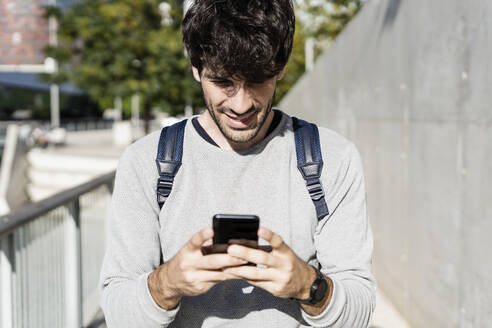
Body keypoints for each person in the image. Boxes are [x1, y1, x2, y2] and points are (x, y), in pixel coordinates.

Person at [99, 0, 376, 327]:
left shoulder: (331, 158)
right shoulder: (146, 162)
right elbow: (117, 313)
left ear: (281, 67)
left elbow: (359, 310)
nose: (241, 104)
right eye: (223, 81)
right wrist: (168, 284)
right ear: (196, 67)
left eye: (258, 79)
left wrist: (307, 285)